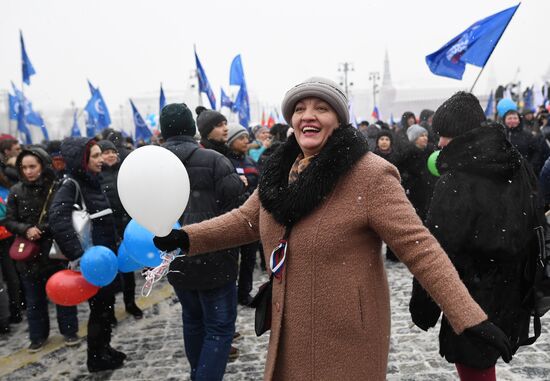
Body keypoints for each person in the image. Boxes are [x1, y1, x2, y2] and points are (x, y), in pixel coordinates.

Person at [154, 77, 512, 381]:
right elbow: (248, 219)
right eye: (299, 109)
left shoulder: (370, 174)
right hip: (288, 330)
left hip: (344, 340)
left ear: (339, 120)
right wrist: (185, 238)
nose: (308, 115)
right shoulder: (280, 172)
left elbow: (419, 247)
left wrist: (468, 317)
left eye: (321, 108)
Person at [410, 92, 538, 381]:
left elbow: (436, 250)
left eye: (444, 135)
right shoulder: (517, 165)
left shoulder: (457, 181)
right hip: (512, 287)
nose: (439, 142)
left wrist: (424, 307)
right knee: (484, 365)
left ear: (461, 134)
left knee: (474, 369)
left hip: (470, 294)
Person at [160, 103, 245, 381]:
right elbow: (238, 209)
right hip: (214, 252)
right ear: (192, 128)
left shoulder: (153, 163)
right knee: (219, 328)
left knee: (192, 319)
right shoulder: (214, 160)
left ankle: (198, 373)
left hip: (174, 254)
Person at [49, 137, 126, 372]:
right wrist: (79, 255)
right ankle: (96, 357)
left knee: (106, 307)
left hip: (105, 257)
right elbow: (57, 219)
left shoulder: (93, 181)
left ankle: (104, 348)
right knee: (100, 309)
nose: (101, 159)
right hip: (93, 260)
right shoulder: (72, 184)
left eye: (100, 154)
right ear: (82, 161)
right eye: (94, 156)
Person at [3, 147, 79, 352]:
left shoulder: (55, 187)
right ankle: (37, 336)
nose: (28, 171)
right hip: (28, 256)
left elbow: (61, 216)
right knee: (34, 299)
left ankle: (70, 331)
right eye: (24, 167)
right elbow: (9, 220)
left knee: (62, 293)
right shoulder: (16, 191)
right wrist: (26, 229)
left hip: (54, 251)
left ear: (42, 166)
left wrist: (41, 230)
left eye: (32, 166)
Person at [97, 140, 143, 320]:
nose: (110, 155)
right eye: (105, 152)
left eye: (112, 151)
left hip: (127, 226)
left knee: (127, 268)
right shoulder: (97, 176)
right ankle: (109, 311)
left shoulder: (125, 172)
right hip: (108, 228)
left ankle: (130, 303)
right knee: (109, 270)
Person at [225, 123, 261, 306]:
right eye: (240, 138)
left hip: (252, 219)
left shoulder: (250, 162)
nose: (246, 141)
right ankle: (230, 296)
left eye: (246, 137)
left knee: (249, 258)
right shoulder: (224, 162)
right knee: (232, 260)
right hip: (232, 218)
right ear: (230, 141)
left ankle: (244, 293)